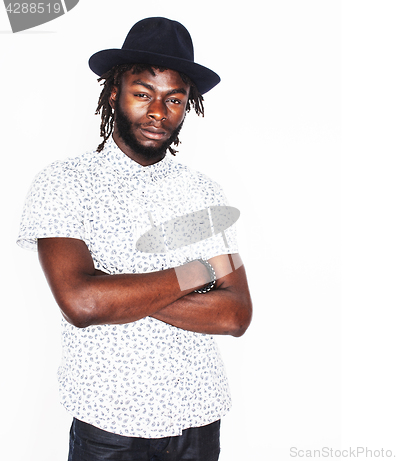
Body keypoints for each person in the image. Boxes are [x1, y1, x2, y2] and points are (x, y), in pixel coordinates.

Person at [17, 17, 252, 461]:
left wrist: (120, 291)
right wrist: (199, 273)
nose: (158, 112)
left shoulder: (204, 194)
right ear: (113, 93)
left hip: (198, 420)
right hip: (109, 427)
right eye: (143, 94)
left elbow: (236, 313)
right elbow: (83, 304)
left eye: (174, 99)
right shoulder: (64, 184)